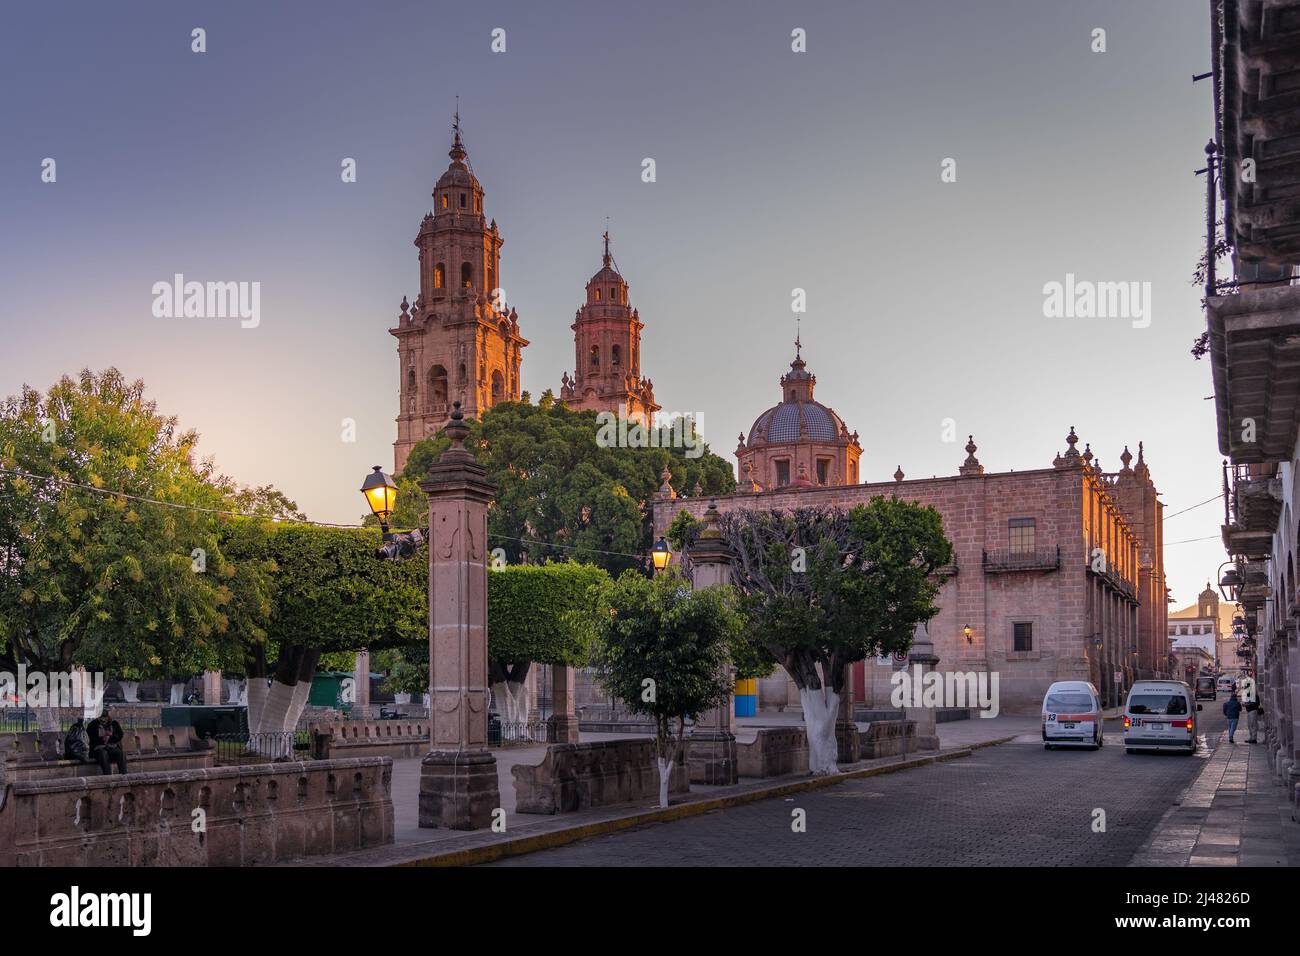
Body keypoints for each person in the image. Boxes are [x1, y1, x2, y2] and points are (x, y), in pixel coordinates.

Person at [89, 709, 128, 774]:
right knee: (103, 753)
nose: (103, 720)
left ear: (108, 717)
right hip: (98, 749)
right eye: (100, 717)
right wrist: (102, 739)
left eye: (104, 717)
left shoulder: (114, 724)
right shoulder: (92, 725)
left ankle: (124, 775)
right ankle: (108, 776)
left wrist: (111, 736)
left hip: (111, 747)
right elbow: (91, 739)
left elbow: (120, 735)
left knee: (121, 753)